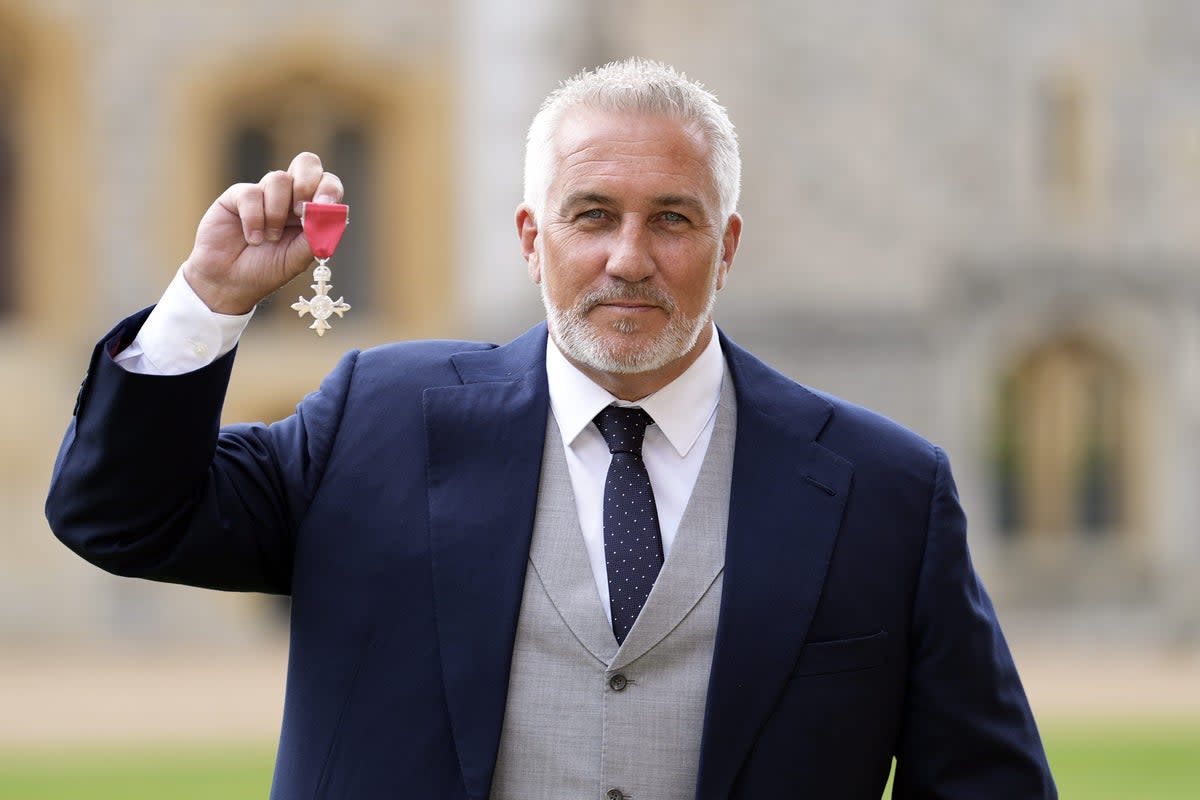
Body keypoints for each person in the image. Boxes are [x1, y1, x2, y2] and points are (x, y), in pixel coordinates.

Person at [47, 58, 1056, 799]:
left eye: (672, 218)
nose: (629, 256)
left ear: (727, 244)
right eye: (591, 214)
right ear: (533, 239)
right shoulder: (378, 418)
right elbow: (123, 515)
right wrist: (209, 300)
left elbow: (985, 782)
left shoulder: (886, 486)